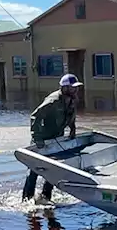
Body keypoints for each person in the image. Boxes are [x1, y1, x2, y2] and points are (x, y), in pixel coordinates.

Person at [22, 73, 83, 203]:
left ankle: (46, 196)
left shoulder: (72, 99)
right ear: (64, 88)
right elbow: (35, 116)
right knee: (34, 169)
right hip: (42, 139)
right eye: (73, 87)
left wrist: (73, 128)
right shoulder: (53, 101)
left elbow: (71, 116)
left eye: (76, 87)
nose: (76, 90)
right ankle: (27, 199)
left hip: (57, 138)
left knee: (52, 168)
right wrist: (37, 137)